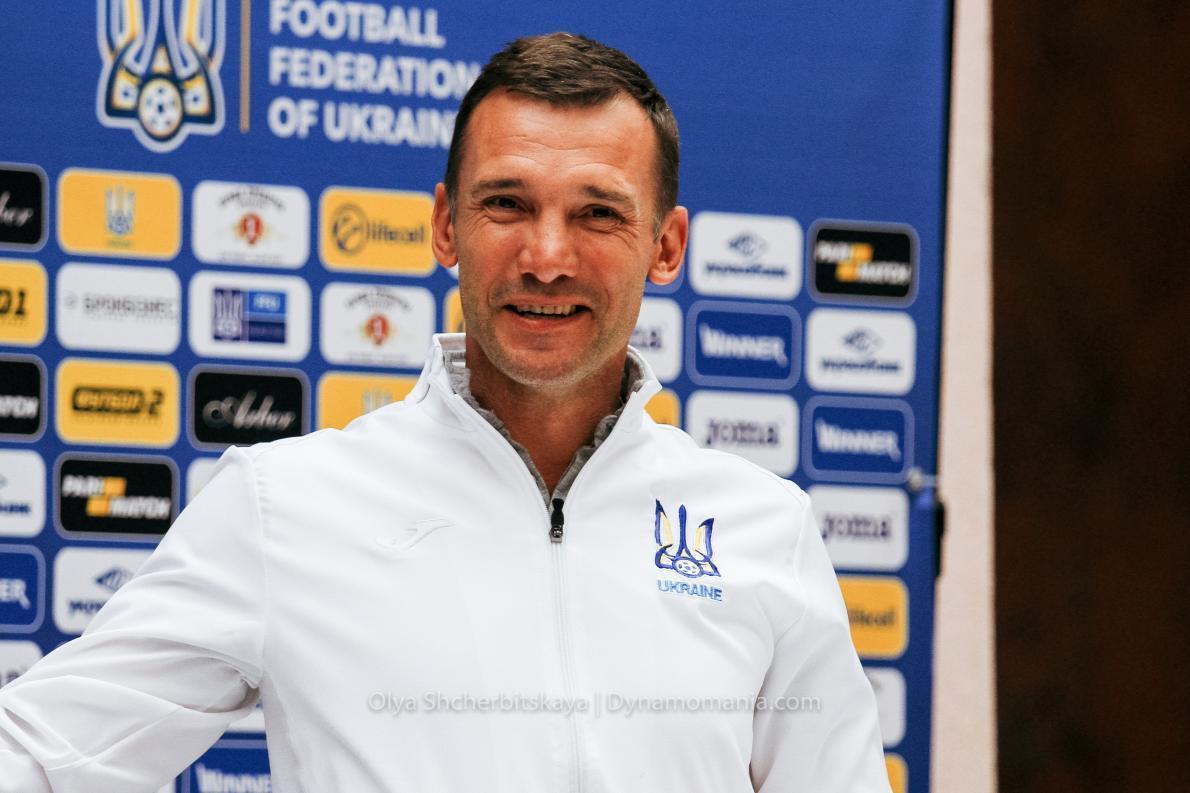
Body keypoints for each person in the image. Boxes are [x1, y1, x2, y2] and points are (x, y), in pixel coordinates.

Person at [0, 33, 890, 793]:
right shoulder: (286, 505)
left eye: (597, 213)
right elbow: (39, 753)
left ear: (666, 245)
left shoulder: (763, 529)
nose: (547, 256)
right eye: (507, 203)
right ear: (445, 225)